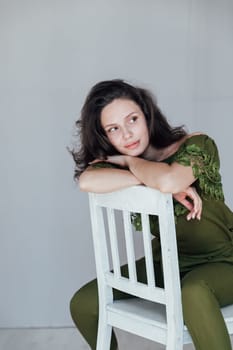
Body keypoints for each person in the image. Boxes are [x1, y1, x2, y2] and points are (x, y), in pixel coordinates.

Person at [70, 79, 233, 350]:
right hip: (168, 264)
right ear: (105, 137)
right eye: (114, 129)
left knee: (193, 294)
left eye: (132, 119)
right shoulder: (122, 169)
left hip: (224, 260)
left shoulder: (197, 145)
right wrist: (143, 177)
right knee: (84, 303)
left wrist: (132, 163)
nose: (127, 134)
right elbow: (86, 182)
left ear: (147, 115)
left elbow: (170, 181)